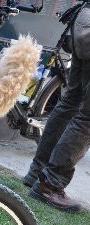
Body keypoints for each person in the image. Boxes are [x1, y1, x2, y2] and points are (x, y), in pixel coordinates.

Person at [23, 3, 90, 212]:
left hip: (83, 21)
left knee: (70, 103)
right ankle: (50, 184)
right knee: (87, 117)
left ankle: (38, 172)